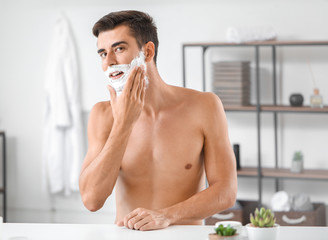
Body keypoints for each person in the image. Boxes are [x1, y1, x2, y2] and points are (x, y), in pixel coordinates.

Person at [79, 10, 237, 231]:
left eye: (119, 48)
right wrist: (123, 124)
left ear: (148, 51)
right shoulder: (102, 115)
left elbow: (226, 192)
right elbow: (91, 200)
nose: (109, 62)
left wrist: (166, 216)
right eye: (103, 54)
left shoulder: (204, 106)